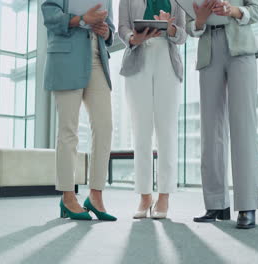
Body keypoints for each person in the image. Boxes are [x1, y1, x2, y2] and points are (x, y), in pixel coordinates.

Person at [186, 0, 258, 228]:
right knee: (211, 130)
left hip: (240, 45)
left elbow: (256, 11)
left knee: (243, 127)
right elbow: (191, 25)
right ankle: (216, 203)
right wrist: (199, 21)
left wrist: (233, 10)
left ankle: (247, 204)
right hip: (209, 49)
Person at [41, 0, 117, 221]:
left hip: (97, 59)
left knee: (104, 128)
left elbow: (109, 28)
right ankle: (67, 196)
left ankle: (95, 195)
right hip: (66, 57)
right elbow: (49, 15)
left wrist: (106, 32)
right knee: (68, 130)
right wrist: (83, 20)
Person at [118, 0, 186, 219]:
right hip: (138, 59)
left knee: (166, 131)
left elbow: (183, 35)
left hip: (167, 59)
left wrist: (172, 28)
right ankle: (145, 196)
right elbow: (122, 27)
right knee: (141, 133)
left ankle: (164, 195)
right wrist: (132, 38)